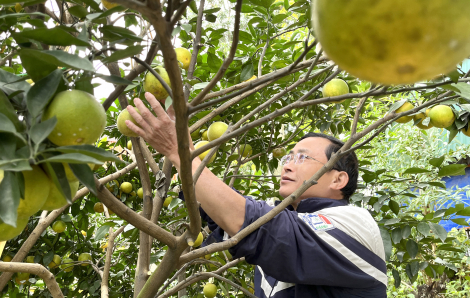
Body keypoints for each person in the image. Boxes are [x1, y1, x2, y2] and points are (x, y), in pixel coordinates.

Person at [126, 92, 387, 298]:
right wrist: (187, 163)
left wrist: (180, 152)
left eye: (303, 157)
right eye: (288, 157)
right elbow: (233, 218)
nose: (286, 164)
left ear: (338, 179)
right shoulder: (290, 221)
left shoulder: (354, 222)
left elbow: (262, 227)